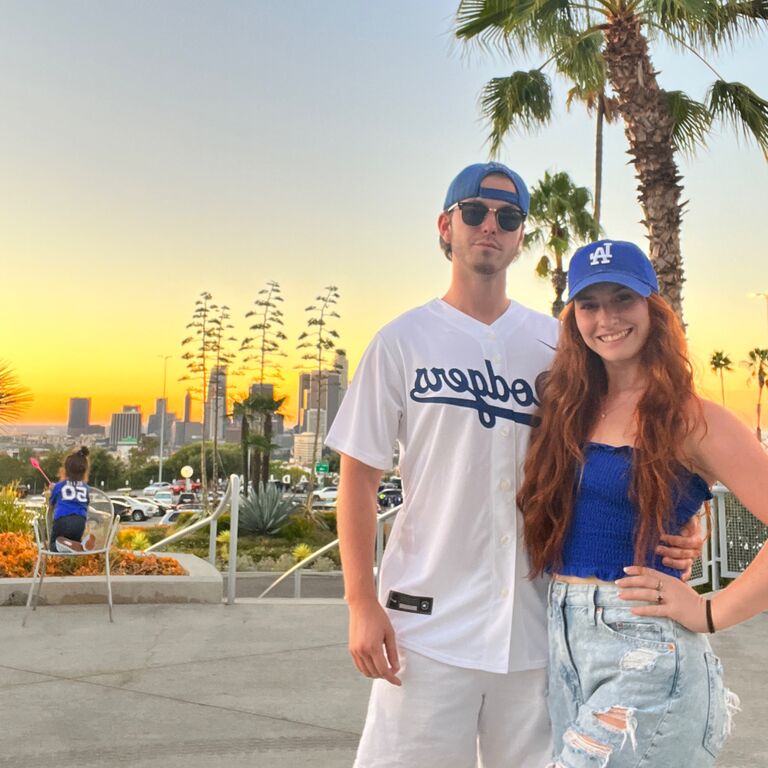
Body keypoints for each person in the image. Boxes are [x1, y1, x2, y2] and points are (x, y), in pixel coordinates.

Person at [325, 166, 699, 768]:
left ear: (522, 234)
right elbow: (358, 480)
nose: (490, 226)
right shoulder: (401, 341)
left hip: (535, 631)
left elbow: (625, 440)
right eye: (474, 212)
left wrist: (686, 513)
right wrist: (360, 602)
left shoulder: (557, 344)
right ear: (446, 226)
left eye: (508, 216)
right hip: (425, 628)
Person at [518, 239, 768, 766]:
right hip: (563, 644)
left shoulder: (692, 418)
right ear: (573, 318)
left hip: (647, 651)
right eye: (589, 304)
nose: (606, 318)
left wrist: (710, 610)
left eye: (622, 300)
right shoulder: (568, 408)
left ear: (653, 308)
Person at [49, 446, 96, 553]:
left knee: (53, 546)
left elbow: (52, 503)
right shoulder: (85, 488)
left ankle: (64, 545)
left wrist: (53, 489)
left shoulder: (59, 486)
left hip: (62, 520)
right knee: (73, 546)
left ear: (65, 470)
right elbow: (87, 503)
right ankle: (81, 545)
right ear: (84, 471)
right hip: (79, 522)